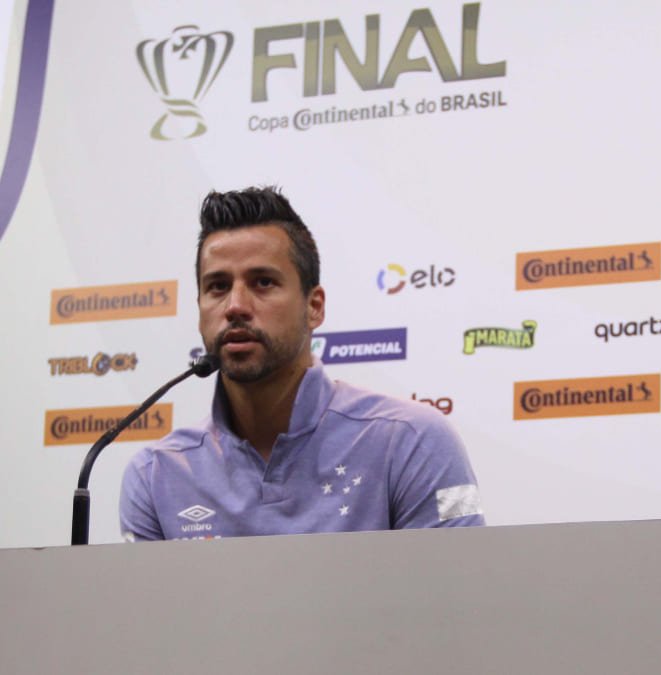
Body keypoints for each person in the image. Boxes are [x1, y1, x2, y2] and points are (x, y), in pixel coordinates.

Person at [120, 187, 483, 540]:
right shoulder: (156, 474)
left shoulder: (411, 442)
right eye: (217, 286)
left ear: (314, 307)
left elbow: (456, 594)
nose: (235, 306)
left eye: (262, 282)